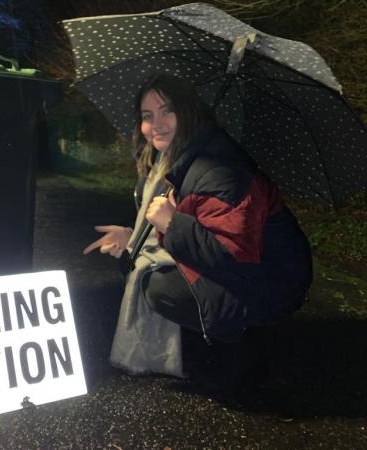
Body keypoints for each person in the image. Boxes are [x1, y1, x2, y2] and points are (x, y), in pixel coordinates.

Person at [83, 74, 313, 396]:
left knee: (161, 287)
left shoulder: (220, 170)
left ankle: (247, 345)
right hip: (246, 268)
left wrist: (172, 224)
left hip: (269, 280)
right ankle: (210, 335)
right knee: (142, 263)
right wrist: (132, 235)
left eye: (167, 111)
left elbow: (232, 256)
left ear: (189, 112)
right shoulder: (171, 161)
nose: (156, 124)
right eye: (147, 116)